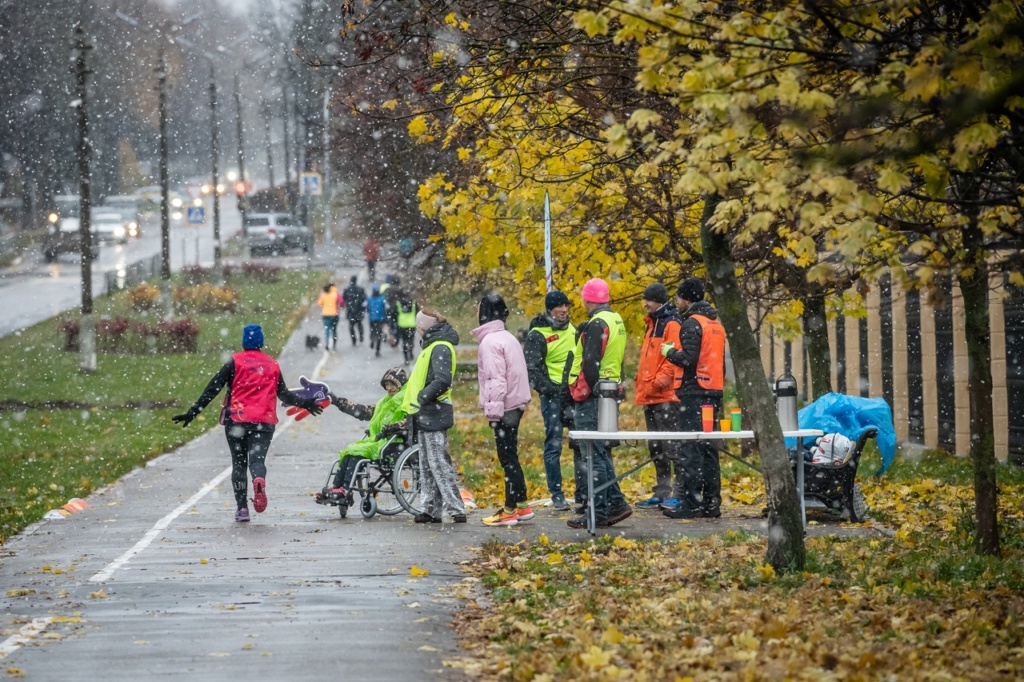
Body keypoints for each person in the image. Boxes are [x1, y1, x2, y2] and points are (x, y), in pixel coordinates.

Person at [172, 324, 325, 522]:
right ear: (261, 342)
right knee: (256, 461)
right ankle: (259, 479)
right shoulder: (272, 364)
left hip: (237, 421)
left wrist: (193, 412)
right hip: (264, 421)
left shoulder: (234, 362)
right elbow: (284, 394)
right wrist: (307, 404)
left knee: (239, 463)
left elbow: (213, 388)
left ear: (245, 342)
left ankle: (242, 509)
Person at [566, 278, 632, 529]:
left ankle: (598, 510)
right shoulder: (616, 320)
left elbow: (591, 361)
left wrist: (586, 389)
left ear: (587, 299)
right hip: (608, 390)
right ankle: (615, 502)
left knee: (592, 453)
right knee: (600, 451)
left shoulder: (597, 324)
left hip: (593, 394)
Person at [661, 277, 727, 519]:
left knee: (691, 447)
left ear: (687, 299)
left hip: (694, 391)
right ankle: (711, 503)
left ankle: (691, 503)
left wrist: (669, 352)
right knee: (709, 449)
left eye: (678, 297)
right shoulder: (715, 323)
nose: (676, 302)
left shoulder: (691, 324)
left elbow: (688, 359)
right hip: (713, 392)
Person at [471, 293, 533, 527]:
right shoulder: (507, 337)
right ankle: (522, 504)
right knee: (512, 456)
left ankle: (509, 510)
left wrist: (493, 412)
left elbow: (495, 380)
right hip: (515, 404)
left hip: (504, 407)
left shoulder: (490, 342)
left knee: (507, 459)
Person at [401, 308, 466, 524]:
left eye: (418, 327)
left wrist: (422, 397)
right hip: (426, 411)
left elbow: (442, 380)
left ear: (423, 327)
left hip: (433, 409)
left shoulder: (439, 347)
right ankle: (430, 509)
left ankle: (456, 509)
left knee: (438, 462)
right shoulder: (434, 345)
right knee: (427, 464)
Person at [524, 289, 580, 511]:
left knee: (579, 444)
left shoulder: (574, 330)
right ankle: (557, 494)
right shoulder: (538, 334)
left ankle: (582, 492)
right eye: (559, 307)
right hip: (553, 398)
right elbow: (532, 370)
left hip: (575, 396)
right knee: (554, 444)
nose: (564, 310)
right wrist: (552, 390)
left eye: (566, 306)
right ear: (549, 309)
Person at [317, 367, 409, 499]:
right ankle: (336, 488)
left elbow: (411, 420)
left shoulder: (407, 400)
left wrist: (394, 427)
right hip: (381, 441)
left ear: (401, 385)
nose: (389, 388)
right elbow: (363, 411)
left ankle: (345, 490)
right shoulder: (385, 402)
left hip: (395, 442)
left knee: (357, 452)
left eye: (393, 384)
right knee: (351, 450)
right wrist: (337, 401)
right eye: (387, 384)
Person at [633, 282, 685, 510]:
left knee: (672, 447)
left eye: (649, 300)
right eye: (644, 299)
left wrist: (656, 384)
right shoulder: (652, 323)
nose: (645, 303)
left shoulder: (671, 323)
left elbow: (672, 360)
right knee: (657, 449)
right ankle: (662, 492)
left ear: (659, 301)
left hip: (665, 397)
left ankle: (679, 493)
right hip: (651, 396)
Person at [342, 275, 367, 346]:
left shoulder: (347, 289)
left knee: (351, 326)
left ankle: (354, 339)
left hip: (350, 310)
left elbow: (344, 299)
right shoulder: (361, 289)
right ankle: (361, 336)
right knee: (359, 324)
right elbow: (365, 299)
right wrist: (363, 308)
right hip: (359, 310)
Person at [316, 282, 340, 351]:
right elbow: (340, 302)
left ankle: (327, 343)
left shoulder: (323, 295)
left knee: (327, 330)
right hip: (334, 314)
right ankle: (334, 345)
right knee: (334, 330)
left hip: (325, 314)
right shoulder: (335, 294)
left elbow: (319, 303)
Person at [395, 290, 417, 365]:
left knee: (404, 342)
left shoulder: (398, 303)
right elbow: (418, 312)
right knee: (411, 340)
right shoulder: (413, 303)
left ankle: (406, 358)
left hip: (402, 325)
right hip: (411, 324)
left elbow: (394, 314)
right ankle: (410, 351)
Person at [367, 284, 387, 357]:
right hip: (380, 319)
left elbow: (367, 308)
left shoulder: (369, 299)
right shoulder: (382, 298)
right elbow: (386, 308)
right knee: (379, 334)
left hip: (372, 318)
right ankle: (377, 350)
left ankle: (372, 340)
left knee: (372, 331)